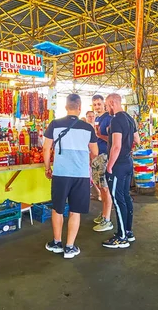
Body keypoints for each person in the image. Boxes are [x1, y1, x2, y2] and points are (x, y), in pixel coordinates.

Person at [43, 94, 98, 259]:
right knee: (75, 211)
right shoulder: (88, 128)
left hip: (60, 173)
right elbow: (95, 152)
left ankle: (57, 243)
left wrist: (47, 167)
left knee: (58, 209)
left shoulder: (55, 124)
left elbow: (46, 149)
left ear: (66, 107)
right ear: (80, 107)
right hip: (80, 175)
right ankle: (70, 247)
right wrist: (85, 161)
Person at [102, 93, 139, 249]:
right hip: (128, 163)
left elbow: (116, 146)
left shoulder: (116, 119)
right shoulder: (130, 118)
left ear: (112, 103)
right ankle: (128, 232)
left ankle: (122, 237)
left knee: (118, 201)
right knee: (125, 197)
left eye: (105, 105)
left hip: (118, 165)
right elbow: (137, 140)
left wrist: (109, 166)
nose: (106, 108)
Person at [91, 95, 114, 233]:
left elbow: (113, 139)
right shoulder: (97, 119)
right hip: (97, 156)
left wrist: (98, 135)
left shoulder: (108, 119)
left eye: (99, 104)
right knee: (101, 187)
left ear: (104, 104)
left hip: (105, 156)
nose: (97, 107)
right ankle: (104, 213)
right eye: (94, 104)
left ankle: (107, 219)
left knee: (105, 188)